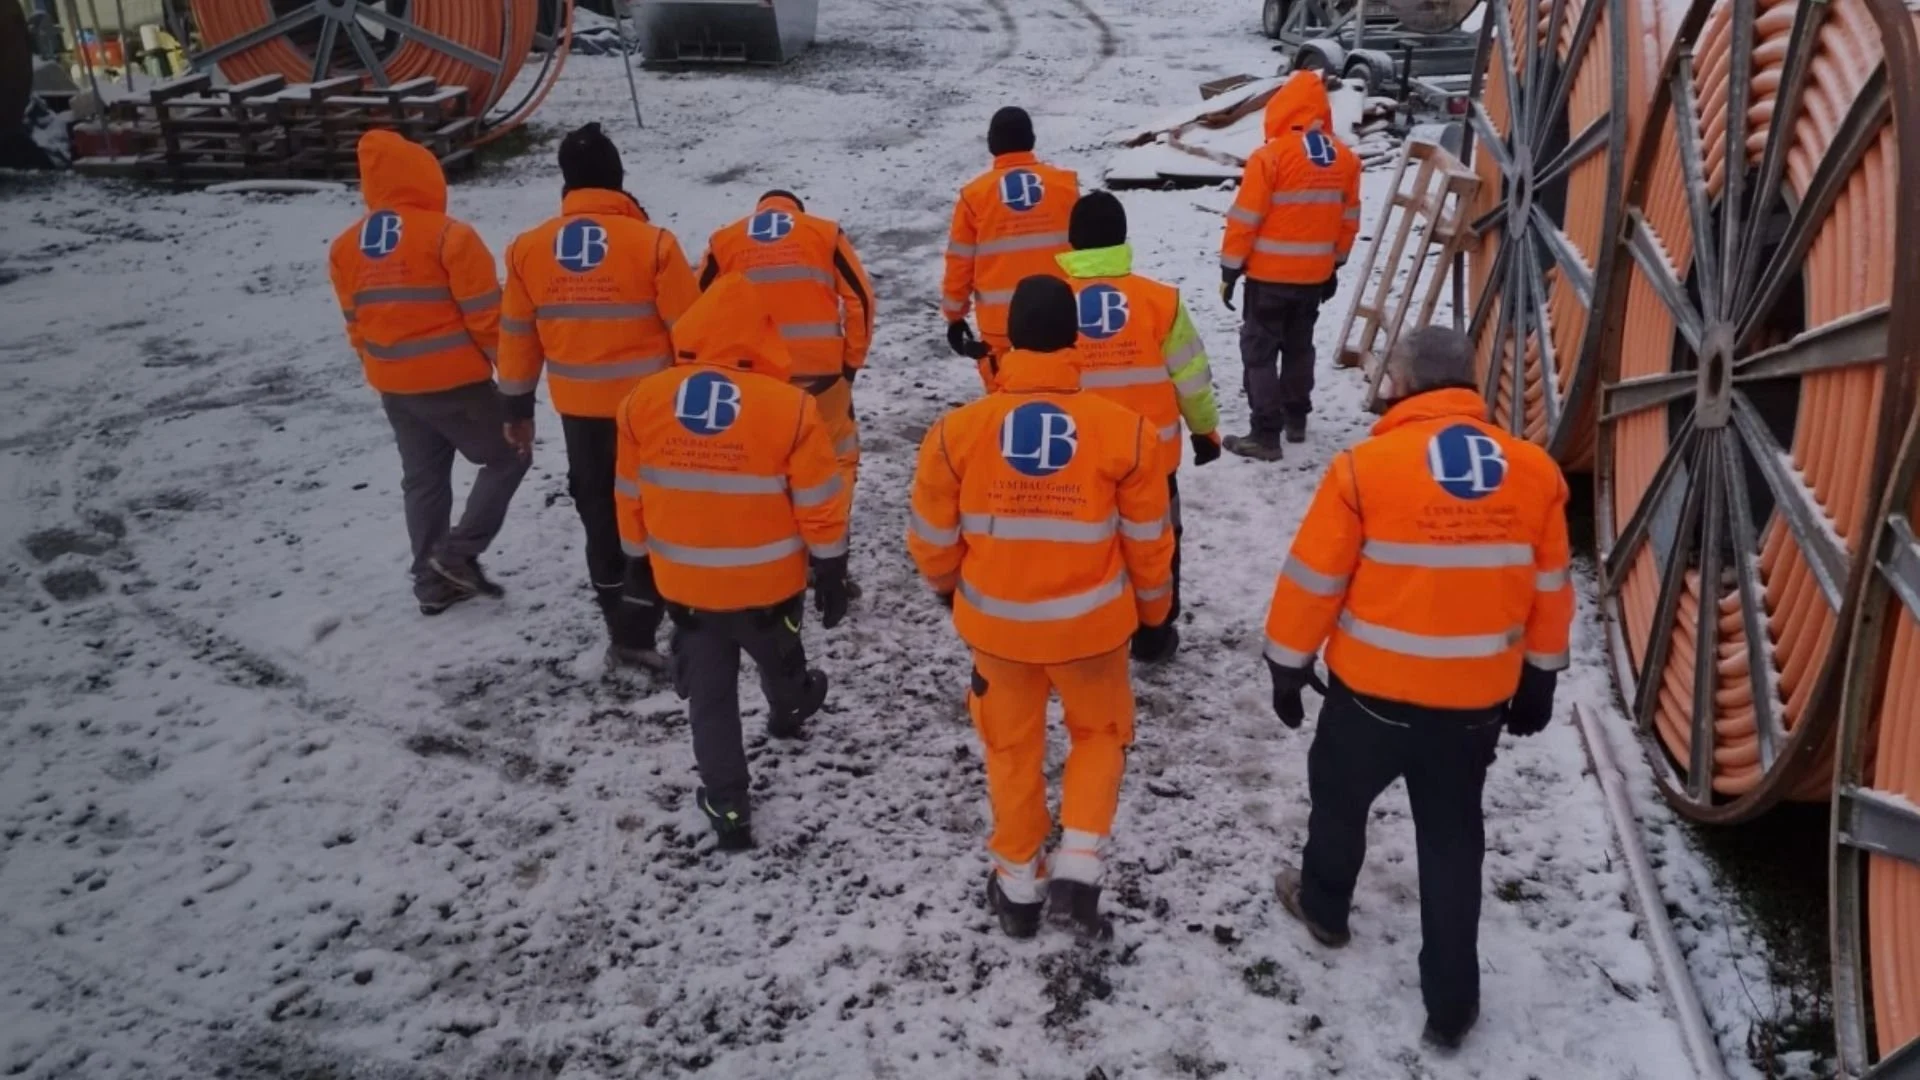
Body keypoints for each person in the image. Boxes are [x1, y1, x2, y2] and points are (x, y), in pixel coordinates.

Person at [1259, 326, 1574, 1051]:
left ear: (1398, 383)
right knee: (1454, 837)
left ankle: (1325, 908)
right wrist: (1540, 679)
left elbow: (1314, 579)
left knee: (1339, 804)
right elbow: (1551, 592)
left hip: (1369, 697)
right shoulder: (1537, 473)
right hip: (1472, 709)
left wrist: (1286, 662)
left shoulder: (1365, 470)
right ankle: (1452, 1004)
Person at [907, 275, 1176, 940]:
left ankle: (1019, 887)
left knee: (1010, 747)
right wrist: (1153, 612)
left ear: (1007, 342)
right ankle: (1079, 867)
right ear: (1075, 341)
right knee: (1099, 735)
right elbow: (1149, 542)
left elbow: (931, 536)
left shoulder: (956, 433)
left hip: (998, 632)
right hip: (1093, 631)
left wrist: (950, 591)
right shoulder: (1127, 433)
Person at [614, 272, 849, 851]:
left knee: (711, 700)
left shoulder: (642, 401)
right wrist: (831, 570)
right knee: (779, 654)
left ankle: (727, 806)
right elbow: (819, 503)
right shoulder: (790, 408)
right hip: (769, 586)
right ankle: (791, 706)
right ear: (762, 337)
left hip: (687, 589)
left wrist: (637, 565)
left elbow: (630, 492)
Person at [498, 122, 700, 670]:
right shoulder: (654, 244)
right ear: (617, 179)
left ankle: (624, 627)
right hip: (652, 413)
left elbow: (516, 338)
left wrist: (516, 409)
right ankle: (674, 616)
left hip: (579, 414)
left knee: (599, 513)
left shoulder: (527, 251)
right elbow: (693, 334)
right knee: (658, 511)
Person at [328, 130, 529, 616]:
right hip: (456, 383)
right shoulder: (449, 236)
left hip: (395, 387)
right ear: (425, 177)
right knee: (509, 457)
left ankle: (431, 583)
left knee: (423, 480)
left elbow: (356, 324)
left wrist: (381, 371)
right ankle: (456, 555)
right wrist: (514, 383)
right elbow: (486, 319)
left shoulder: (345, 247)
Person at [1056, 191, 1222, 660]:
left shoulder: (1051, 302)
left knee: (1087, 546)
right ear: (1124, 239)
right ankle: (1154, 632)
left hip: (1077, 459)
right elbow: (1190, 376)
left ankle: (1090, 629)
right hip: (1150, 458)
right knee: (1158, 545)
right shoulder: (1160, 302)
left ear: (1071, 242)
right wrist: (1204, 431)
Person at [697, 190, 875, 588]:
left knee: (766, 463)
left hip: (753, 378)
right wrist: (851, 361)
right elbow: (860, 298)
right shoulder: (825, 234)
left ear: (760, 208)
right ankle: (828, 551)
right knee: (836, 460)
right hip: (821, 375)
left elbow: (697, 308)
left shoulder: (724, 241)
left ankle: (775, 553)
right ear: (797, 210)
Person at [1217, 70, 1362, 460]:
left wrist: (1230, 270)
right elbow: (1349, 220)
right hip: (1313, 277)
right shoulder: (1346, 160)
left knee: (1260, 352)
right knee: (1299, 348)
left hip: (1268, 278)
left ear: (1282, 108)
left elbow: (1245, 219)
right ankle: (1296, 418)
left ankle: (1265, 434)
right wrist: (1335, 266)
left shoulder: (1270, 157)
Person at [942, 107, 1080, 391]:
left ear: (992, 144)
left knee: (1006, 403)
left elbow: (960, 262)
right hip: (1061, 317)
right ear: (1031, 139)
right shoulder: (1065, 186)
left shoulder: (974, 196)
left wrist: (955, 316)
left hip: (1000, 325)